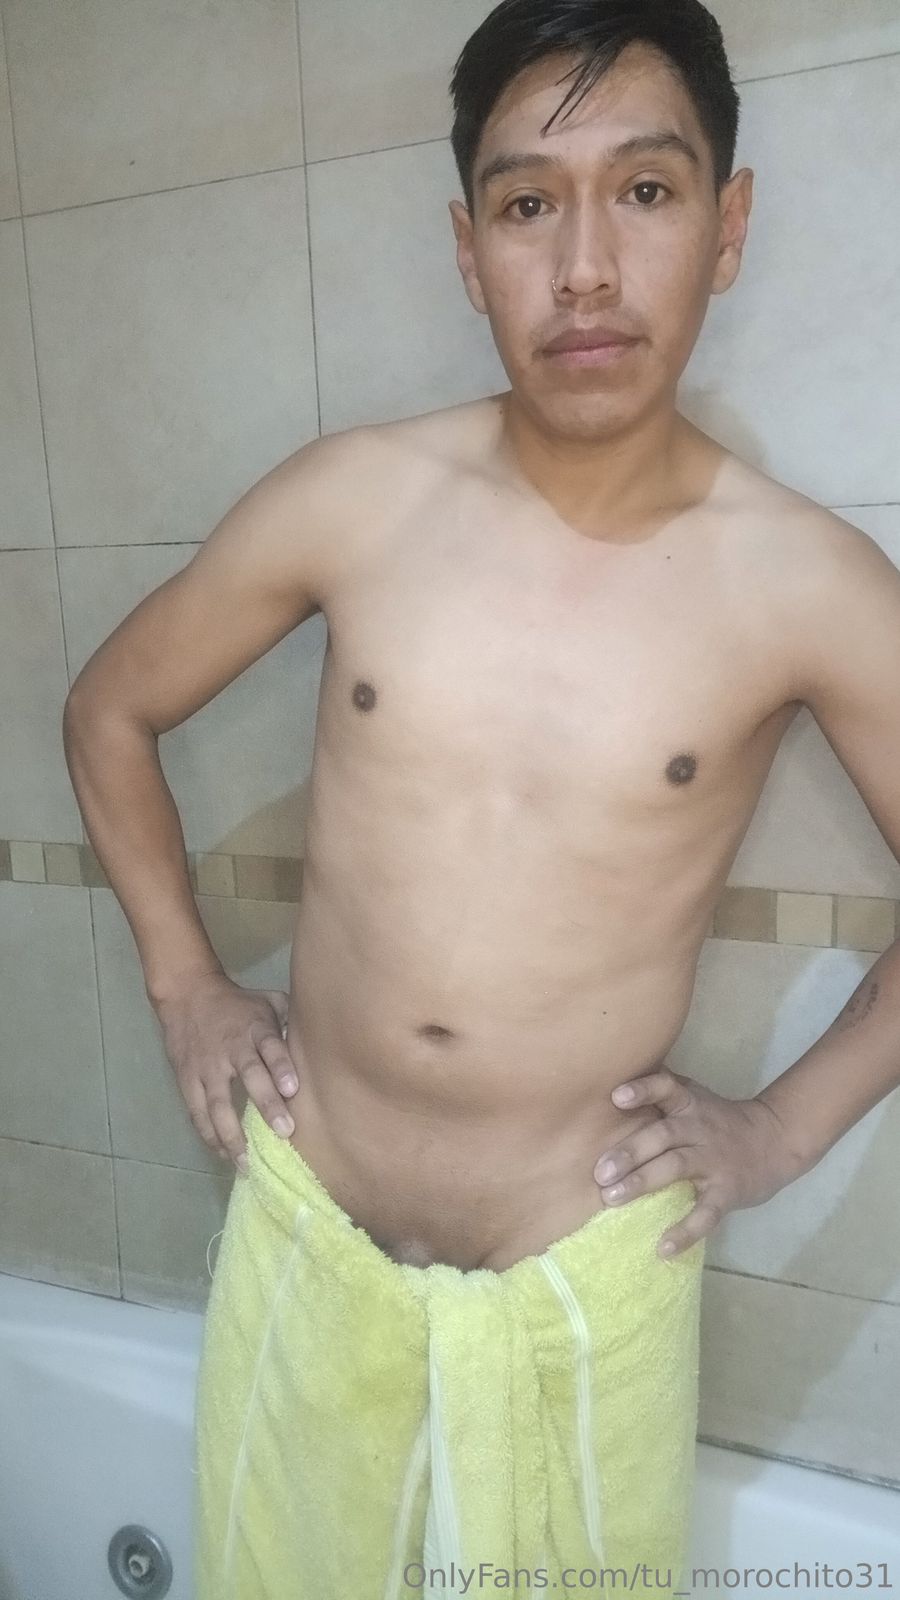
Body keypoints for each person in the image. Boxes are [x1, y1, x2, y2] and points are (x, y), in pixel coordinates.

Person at [62, 2, 900, 1595]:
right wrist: (184, 988)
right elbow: (109, 708)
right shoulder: (356, 498)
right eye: (527, 204)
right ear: (468, 249)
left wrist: (781, 1131)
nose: (584, 267)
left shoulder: (807, 585)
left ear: (727, 226)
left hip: (579, 1267)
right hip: (312, 1220)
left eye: (644, 192)